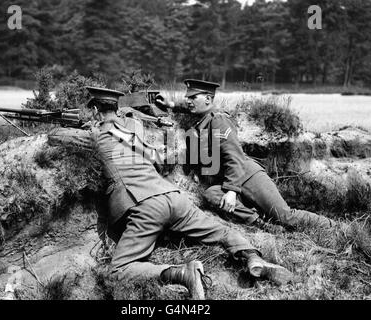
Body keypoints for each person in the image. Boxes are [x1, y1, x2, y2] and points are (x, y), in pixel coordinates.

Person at [49, 87, 293, 300]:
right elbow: (151, 148)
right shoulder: (133, 134)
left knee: (119, 268)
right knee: (221, 232)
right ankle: (253, 257)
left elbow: (56, 136)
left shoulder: (96, 136)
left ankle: (182, 273)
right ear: (116, 108)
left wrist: (87, 127)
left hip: (143, 206)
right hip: (175, 198)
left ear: (94, 111)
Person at [155, 79, 337, 231]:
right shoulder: (205, 117)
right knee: (211, 194)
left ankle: (333, 226)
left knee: (285, 216)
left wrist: (232, 192)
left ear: (209, 99)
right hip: (229, 179)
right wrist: (171, 104)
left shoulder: (218, 120)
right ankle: (262, 224)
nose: (188, 101)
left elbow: (233, 157)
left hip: (247, 176)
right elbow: (189, 108)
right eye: (188, 97)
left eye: (193, 97)